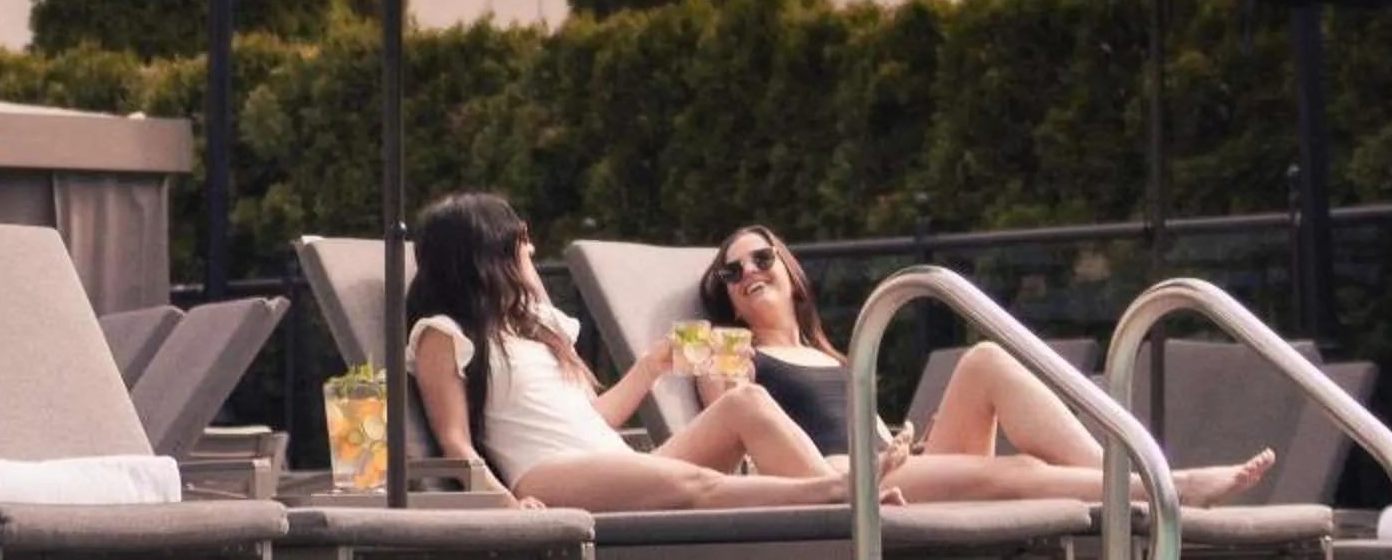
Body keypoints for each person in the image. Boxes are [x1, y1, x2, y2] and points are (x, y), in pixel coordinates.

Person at [694, 223, 1274, 509]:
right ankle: (1164, 489)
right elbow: (728, 430)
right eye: (732, 272)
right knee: (1016, 474)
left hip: (895, 463)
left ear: (791, 272)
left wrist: (899, 442)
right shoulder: (731, 350)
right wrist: (725, 372)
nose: (748, 272)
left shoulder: (836, 355)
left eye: (761, 257)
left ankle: (1130, 475)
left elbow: (866, 428)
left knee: (987, 359)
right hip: (844, 479)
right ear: (727, 295)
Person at [406, 192, 851, 509]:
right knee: (697, 485)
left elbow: (591, 419)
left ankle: (839, 495)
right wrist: (505, 507)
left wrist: (653, 365)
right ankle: (832, 494)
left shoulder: (537, 326)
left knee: (746, 401)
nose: (532, 249)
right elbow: (455, 442)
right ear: (486, 255)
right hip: (549, 474)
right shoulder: (442, 334)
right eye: (520, 241)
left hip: (614, 464)